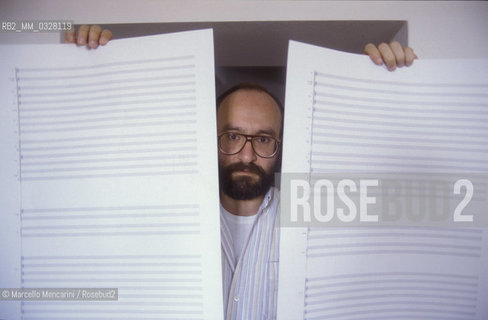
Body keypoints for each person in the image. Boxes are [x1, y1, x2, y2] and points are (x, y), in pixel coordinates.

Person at [66, 25, 417, 319]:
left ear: (281, 145)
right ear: (210, 137)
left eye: (263, 139)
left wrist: (389, 81)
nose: (247, 154)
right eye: (232, 136)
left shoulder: (316, 221)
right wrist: (81, 65)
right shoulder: (165, 216)